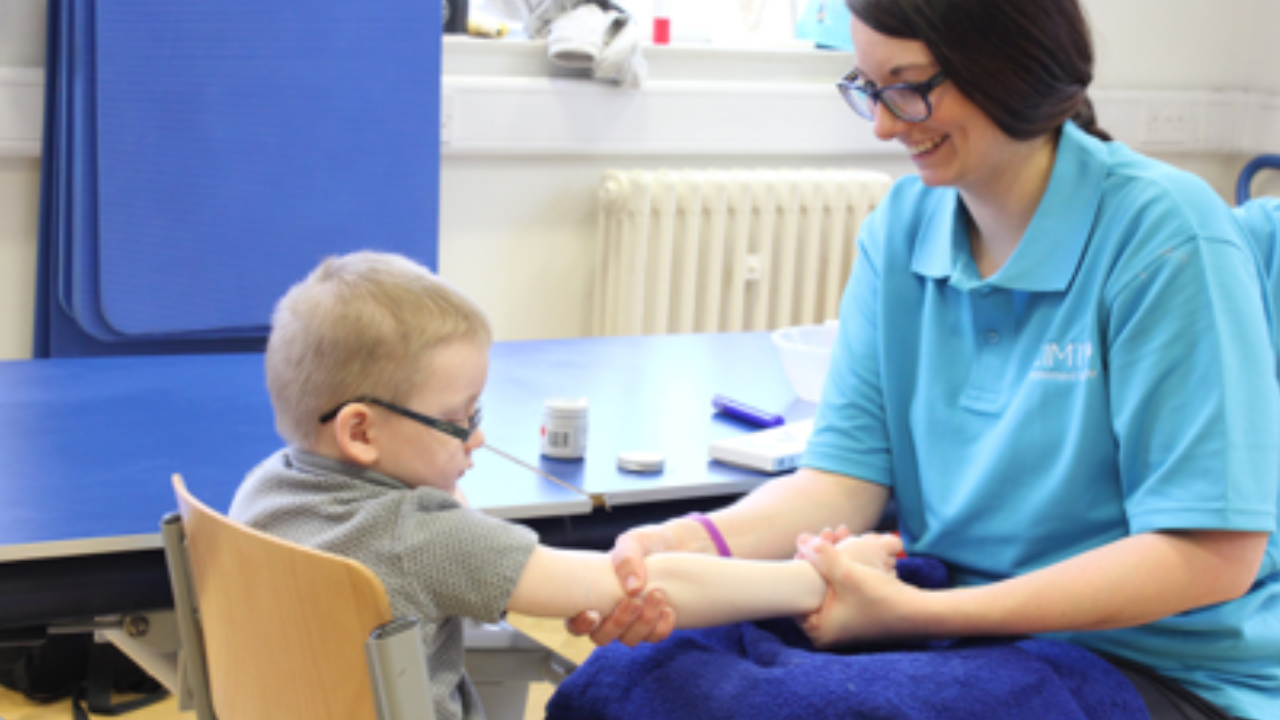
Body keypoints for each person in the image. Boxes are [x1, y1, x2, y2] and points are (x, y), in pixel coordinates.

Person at [571, 1, 1280, 719]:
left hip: (1153, 668)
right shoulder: (902, 230)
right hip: (950, 622)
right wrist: (689, 539)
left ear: (1007, 63)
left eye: (907, 86)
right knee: (642, 677)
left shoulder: (1165, 237)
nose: (884, 124)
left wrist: (917, 615)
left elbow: (1212, 554)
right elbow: (841, 482)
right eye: (868, 89)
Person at [227, 251, 902, 720]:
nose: (479, 440)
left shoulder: (260, 491)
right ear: (362, 433)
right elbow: (639, 585)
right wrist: (818, 579)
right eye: (459, 421)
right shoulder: (424, 539)